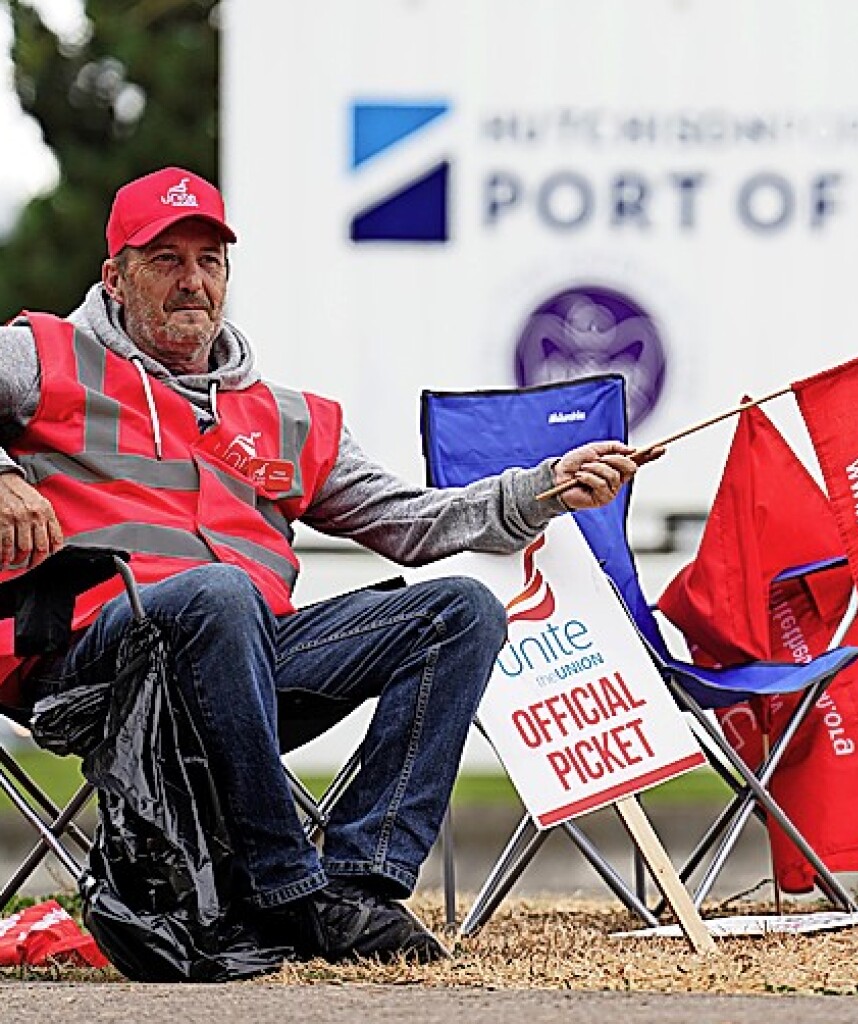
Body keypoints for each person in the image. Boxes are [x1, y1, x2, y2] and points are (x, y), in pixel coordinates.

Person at [0, 167, 649, 965]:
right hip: (96, 664)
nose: (192, 280)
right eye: (165, 259)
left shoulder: (290, 417)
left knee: (460, 610)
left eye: (209, 261)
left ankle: (356, 882)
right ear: (115, 278)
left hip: (246, 665)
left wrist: (542, 489)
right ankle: (286, 888)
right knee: (219, 591)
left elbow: (409, 523)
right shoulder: (40, 356)